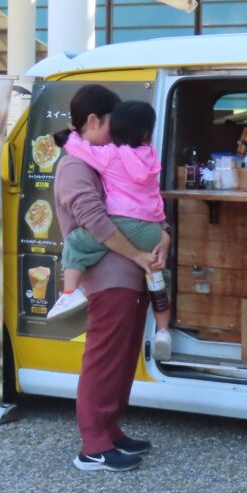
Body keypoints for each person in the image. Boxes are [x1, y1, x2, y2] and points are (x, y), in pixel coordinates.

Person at [52, 85, 168, 472]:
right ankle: (93, 444)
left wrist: (162, 236)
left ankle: (110, 428)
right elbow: (94, 219)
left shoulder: (108, 157)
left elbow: (142, 203)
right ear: (92, 121)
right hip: (106, 272)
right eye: (111, 124)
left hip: (127, 271)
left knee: (123, 352)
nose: (118, 133)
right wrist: (136, 252)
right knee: (104, 356)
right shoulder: (74, 164)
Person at [46, 100, 173, 361]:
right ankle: (163, 331)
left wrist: (66, 136)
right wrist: (164, 233)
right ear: (147, 134)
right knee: (159, 280)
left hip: (123, 223)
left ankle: (69, 294)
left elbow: (81, 150)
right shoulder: (150, 156)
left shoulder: (112, 155)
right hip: (152, 229)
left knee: (76, 243)